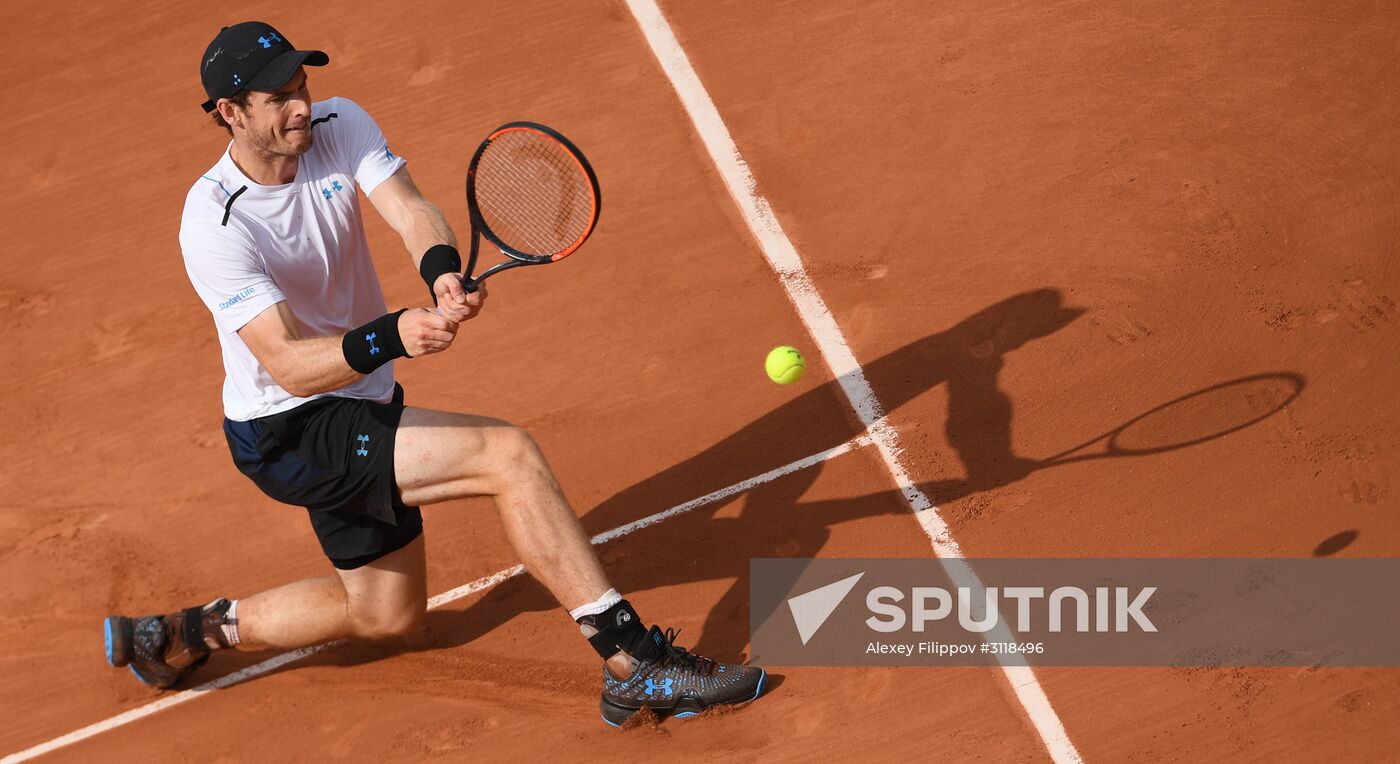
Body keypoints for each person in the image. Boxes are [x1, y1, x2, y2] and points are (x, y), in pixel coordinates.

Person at [103, 20, 765, 726]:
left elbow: (410, 208)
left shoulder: (337, 122)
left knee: (386, 614)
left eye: (302, 86)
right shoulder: (214, 222)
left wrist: (441, 270)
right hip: (291, 428)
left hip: (359, 395)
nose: (302, 106)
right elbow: (290, 365)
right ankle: (635, 664)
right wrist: (391, 335)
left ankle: (179, 634)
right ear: (230, 113)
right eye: (278, 98)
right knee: (508, 456)